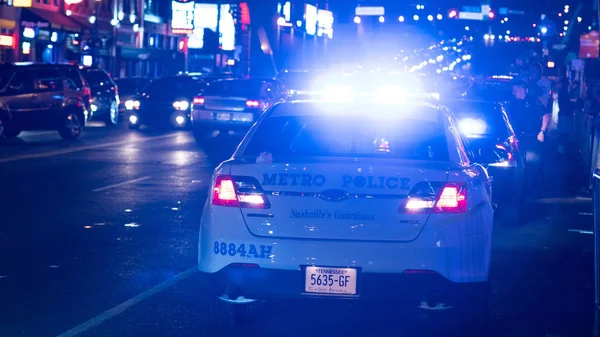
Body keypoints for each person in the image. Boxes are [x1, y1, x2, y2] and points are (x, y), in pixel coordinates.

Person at [510, 82, 551, 197]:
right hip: (518, 138)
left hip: (532, 136)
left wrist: (542, 131)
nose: (513, 93)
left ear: (522, 89)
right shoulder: (513, 103)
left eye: (515, 90)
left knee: (534, 163)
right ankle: (521, 188)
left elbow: (546, 115)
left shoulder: (533, 101)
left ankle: (534, 189)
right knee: (520, 163)